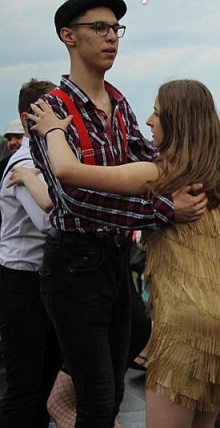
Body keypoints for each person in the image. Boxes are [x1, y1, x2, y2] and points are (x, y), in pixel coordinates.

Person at [29, 78, 220, 427]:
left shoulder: (159, 174)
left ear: (174, 121)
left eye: (156, 113)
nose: (149, 121)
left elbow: (67, 172)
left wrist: (53, 131)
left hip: (183, 324)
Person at [27, 1, 207, 426]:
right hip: (75, 260)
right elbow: (75, 197)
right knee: (98, 396)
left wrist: (210, 140)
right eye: (99, 27)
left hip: (114, 255)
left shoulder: (119, 102)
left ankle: (61, 395)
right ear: (68, 36)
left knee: (112, 393)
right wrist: (166, 210)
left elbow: (154, 162)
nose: (111, 36)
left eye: (115, 28)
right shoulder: (51, 109)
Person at [0, 79, 59, 428]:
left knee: (45, 384)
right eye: (51, 110)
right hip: (22, 282)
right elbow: (47, 221)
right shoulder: (24, 161)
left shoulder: (42, 160)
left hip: (39, 280)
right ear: (28, 118)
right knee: (25, 386)